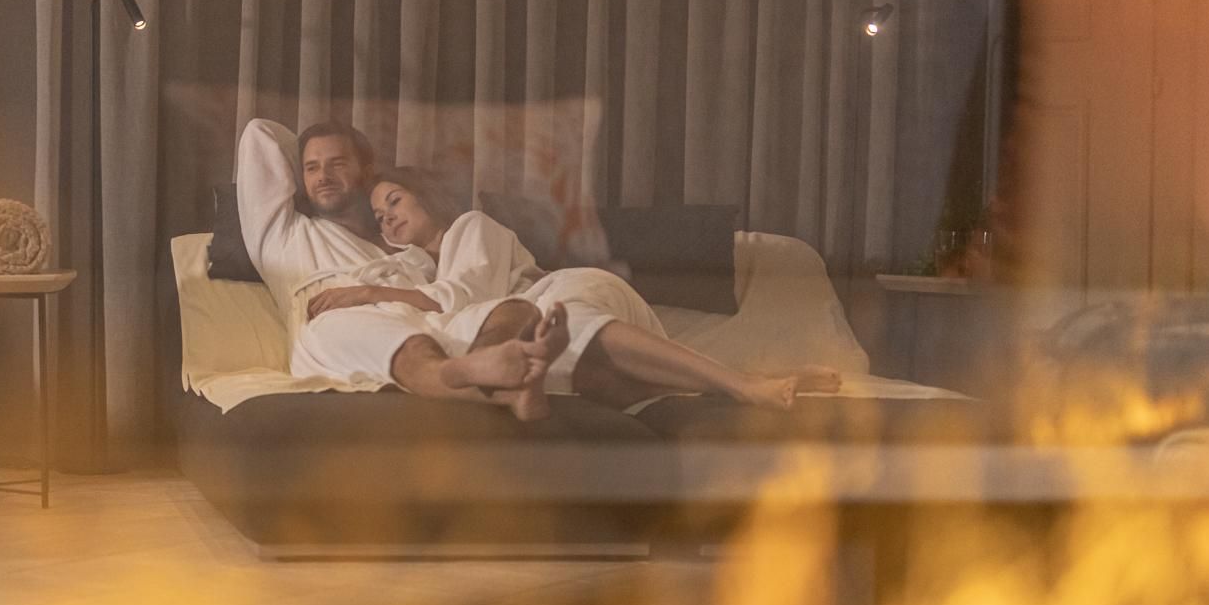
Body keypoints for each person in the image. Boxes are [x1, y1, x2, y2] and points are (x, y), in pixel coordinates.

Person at [313, 168, 841, 410]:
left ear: (425, 195)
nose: (387, 217)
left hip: (566, 293)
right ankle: (753, 380)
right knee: (587, 378)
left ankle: (742, 384)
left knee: (566, 319)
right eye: (379, 215)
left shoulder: (472, 227)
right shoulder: (411, 270)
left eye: (395, 201)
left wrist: (371, 296)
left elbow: (467, 297)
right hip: (536, 341)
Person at [234, 118, 569, 420]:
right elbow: (259, 134)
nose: (323, 176)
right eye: (311, 168)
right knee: (376, 335)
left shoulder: (405, 247)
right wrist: (306, 158)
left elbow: (458, 293)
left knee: (514, 309)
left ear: (366, 172)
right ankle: (477, 378)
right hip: (342, 330)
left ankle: (499, 381)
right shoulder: (285, 235)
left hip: (429, 321)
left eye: (338, 163)